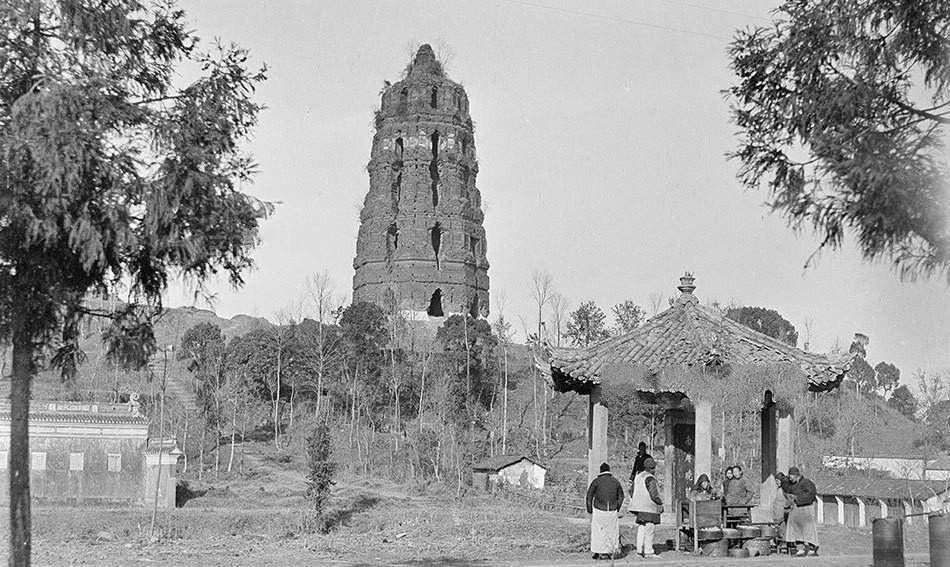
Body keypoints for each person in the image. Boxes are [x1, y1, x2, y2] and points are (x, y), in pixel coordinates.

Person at [586, 462, 625, 560]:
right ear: (609, 471)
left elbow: (589, 497)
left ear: (601, 471)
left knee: (598, 532)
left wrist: (589, 510)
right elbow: (621, 496)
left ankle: (598, 551)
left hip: (599, 509)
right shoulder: (615, 482)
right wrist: (617, 507)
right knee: (611, 531)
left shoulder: (596, 481)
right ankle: (609, 551)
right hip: (612, 510)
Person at [630, 457, 664, 558]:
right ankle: (649, 551)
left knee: (641, 528)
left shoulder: (638, 476)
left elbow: (631, 491)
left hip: (639, 507)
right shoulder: (650, 478)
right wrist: (660, 503)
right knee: (650, 529)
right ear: (652, 468)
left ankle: (639, 551)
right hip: (649, 508)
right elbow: (654, 494)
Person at [782, 466, 819, 557]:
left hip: (806, 509)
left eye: (791, 476)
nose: (790, 478)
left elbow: (811, 494)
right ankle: (800, 548)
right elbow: (786, 486)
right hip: (796, 510)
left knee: (808, 528)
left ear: (796, 475)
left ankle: (811, 548)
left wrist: (797, 498)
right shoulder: (792, 484)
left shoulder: (807, 482)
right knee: (796, 529)